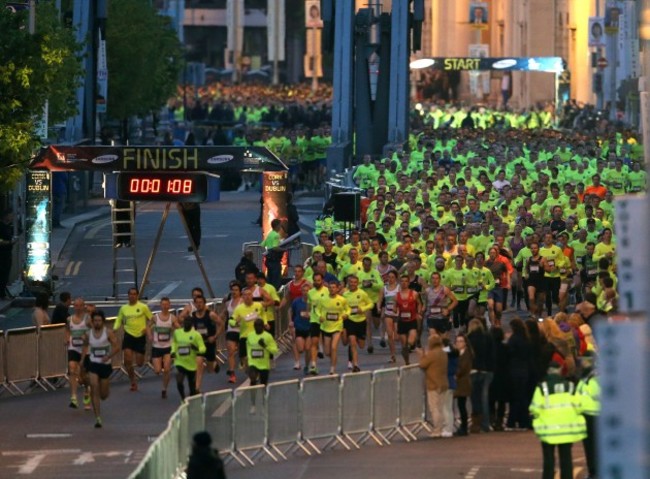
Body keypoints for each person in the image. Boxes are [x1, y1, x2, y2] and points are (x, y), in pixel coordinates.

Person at [529, 361, 586, 479]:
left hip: (547, 429)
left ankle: (548, 477)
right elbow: (579, 406)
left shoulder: (542, 387)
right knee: (566, 458)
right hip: (566, 430)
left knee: (548, 459)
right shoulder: (570, 386)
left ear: (548, 371)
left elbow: (535, 409)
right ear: (560, 370)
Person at [82, 310, 120, 428]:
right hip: (93, 364)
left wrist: (108, 356)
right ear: (92, 322)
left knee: (103, 395)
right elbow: (85, 347)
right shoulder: (88, 334)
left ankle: (103, 392)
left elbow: (117, 347)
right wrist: (82, 360)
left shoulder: (108, 333)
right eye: (95, 321)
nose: (97, 323)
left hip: (105, 365)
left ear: (103, 322)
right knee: (94, 386)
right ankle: (98, 417)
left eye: (99, 321)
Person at [114, 287, 153, 391]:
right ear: (128, 295)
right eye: (130, 294)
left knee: (140, 363)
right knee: (127, 360)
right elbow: (119, 320)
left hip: (140, 336)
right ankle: (132, 380)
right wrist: (114, 329)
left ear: (137, 295)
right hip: (128, 335)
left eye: (134, 294)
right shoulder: (123, 308)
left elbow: (152, 319)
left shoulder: (143, 307)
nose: (132, 296)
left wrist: (148, 328)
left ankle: (138, 363)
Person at [417, 332, 449, 438]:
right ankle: (443, 427)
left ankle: (437, 429)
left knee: (434, 408)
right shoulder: (443, 353)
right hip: (443, 383)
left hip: (433, 384)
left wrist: (422, 355)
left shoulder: (432, 354)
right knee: (441, 407)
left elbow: (422, 364)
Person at [147, 297, 179, 399]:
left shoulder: (172, 318)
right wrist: (150, 335)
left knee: (166, 370)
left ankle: (164, 389)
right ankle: (157, 362)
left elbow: (178, 328)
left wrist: (179, 331)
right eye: (163, 304)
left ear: (169, 305)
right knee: (157, 371)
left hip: (167, 347)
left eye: (167, 304)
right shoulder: (155, 318)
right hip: (156, 347)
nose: (165, 306)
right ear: (160, 305)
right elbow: (147, 327)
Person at [317, 280, 350, 375]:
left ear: (337, 288)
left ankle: (332, 368)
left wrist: (346, 314)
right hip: (326, 327)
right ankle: (334, 359)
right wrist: (320, 316)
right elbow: (317, 309)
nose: (332, 289)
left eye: (334, 287)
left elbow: (348, 309)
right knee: (327, 352)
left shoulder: (342, 299)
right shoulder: (323, 299)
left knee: (334, 347)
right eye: (330, 288)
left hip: (337, 326)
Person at [191, 295, 223, 393]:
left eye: (201, 302)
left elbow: (221, 324)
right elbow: (191, 330)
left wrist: (215, 336)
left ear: (204, 303)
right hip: (199, 345)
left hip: (209, 343)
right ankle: (197, 388)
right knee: (199, 364)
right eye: (197, 302)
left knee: (210, 368)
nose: (199, 304)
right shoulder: (193, 316)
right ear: (194, 304)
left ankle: (213, 364)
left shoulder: (210, 314)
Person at [576, 351, 600, 479]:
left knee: (594, 446)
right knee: (589, 446)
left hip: (594, 415)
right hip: (585, 415)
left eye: (585, 361)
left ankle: (596, 472)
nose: (583, 363)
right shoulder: (585, 377)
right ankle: (593, 472)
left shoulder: (594, 377)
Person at [172, 314, 206, 400]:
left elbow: (203, 348)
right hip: (180, 362)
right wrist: (172, 351)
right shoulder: (177, 332)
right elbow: (174, 343)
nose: (186, 323)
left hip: (191, 364)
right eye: (185, 321)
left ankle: (192, 398)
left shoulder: (196, 335)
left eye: (189, 322)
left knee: (192, 389)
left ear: (192, 324)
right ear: (183, 322)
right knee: (179, 381)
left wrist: (196, 348)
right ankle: (183, 398)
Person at [66, 297, 91, 409]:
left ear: (83, 306)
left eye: (80, 305)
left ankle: (87, 390)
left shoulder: (88, 319)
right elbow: (67, 330)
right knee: (72, 368)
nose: (77, 308)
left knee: (83, 377)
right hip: (74, 348)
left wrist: (86, 336)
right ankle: (74, 397)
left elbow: (94, 331)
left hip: (86, 350)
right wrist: (66, 338)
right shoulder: (69, 319)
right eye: (75, 305)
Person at [246, 318, 279, 387]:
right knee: (253, 378)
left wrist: (265, 346)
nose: (258, 327)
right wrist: (246, 359)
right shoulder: (250, 336)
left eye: (260, 326)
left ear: (263, 326)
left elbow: (275, 351)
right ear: (254, 327)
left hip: (264, 365)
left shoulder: (268, 336)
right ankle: (252, 392)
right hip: (253, 362)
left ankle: (263, 396)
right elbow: (247, 347)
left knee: (263, 384)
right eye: (256, 326)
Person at [223, 281, 243, 384]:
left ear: (240, 292)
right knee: (230, 352)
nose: (234, 292)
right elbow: (223, 315)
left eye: (236, 290)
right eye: (233, 290)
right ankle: (232, 374)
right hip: (231, 330)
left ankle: (243, 362)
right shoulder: (228, 303)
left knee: (242, 353)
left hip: (242, 330)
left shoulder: (243, 302)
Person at [454, 333, 473, 436]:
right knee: (460, 405)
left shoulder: (467, 354)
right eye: (457, 341)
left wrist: (455, 374)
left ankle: (464, 427)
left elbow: (463, 367)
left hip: (464, 382)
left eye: (461, 341)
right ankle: (463, 426)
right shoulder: (457, 353)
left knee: (462, 405)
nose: (458, 343)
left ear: (465, 343)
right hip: (459, 382)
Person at [261, 218, 285, 289]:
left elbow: (262, 244)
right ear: (277, 226)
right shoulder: (276, 235)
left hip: (268, 260)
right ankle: (275, 292)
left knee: (270, 277)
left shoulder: (270, 234)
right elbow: (275, 247)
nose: (281, 227)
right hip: (275, 260)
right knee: (276, 279)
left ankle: (269, 290)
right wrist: (284, 249)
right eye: (280, 226)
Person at [0, 208, 16, 299]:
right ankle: (1, 293)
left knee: (6, 273)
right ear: (6, 216)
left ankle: (2, 292)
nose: (12, 217)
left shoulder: (8, 226)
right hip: (2, 253)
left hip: (7, 253)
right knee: (2, 273)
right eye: (11, 214)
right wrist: (9, 242)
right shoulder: (1, 226)